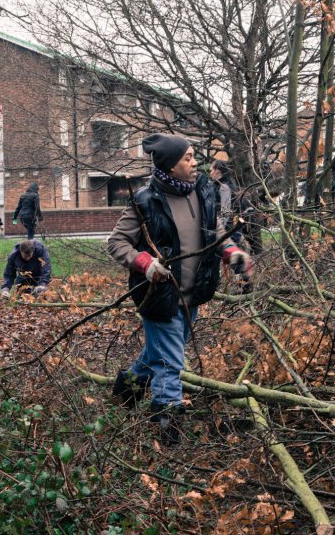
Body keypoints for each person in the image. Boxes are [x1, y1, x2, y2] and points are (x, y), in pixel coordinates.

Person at [107, 133, 254, 445]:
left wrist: (231, 252)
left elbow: (212, 232)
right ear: (171, 166)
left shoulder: (202, 192)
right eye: (187, 157)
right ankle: (165, 421)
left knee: (160, 351)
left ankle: (126, 390)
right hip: (158, 296)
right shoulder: (145, 200)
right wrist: (145, 263)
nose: (194, 161)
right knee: (171, 361)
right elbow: (117, 242)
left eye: (193, 155)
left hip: (193, 293)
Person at [209, 159, 263, 255]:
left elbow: (226, 211)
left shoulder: (224, 187)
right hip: (232, 228)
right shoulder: (223, 184)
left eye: (211, 170)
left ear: (217, 170)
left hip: (230, 230)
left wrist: (221, 232)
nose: (210, 173)